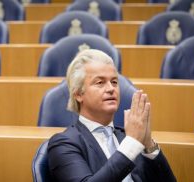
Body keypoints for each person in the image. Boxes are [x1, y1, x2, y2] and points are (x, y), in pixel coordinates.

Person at [47, 49, 176, 182]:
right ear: (78, 94)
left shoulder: (129, 136)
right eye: (100, 82)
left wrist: (148, 144)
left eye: (114, 82)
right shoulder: (64, 144)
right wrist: (132, 144)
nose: (111, 89)